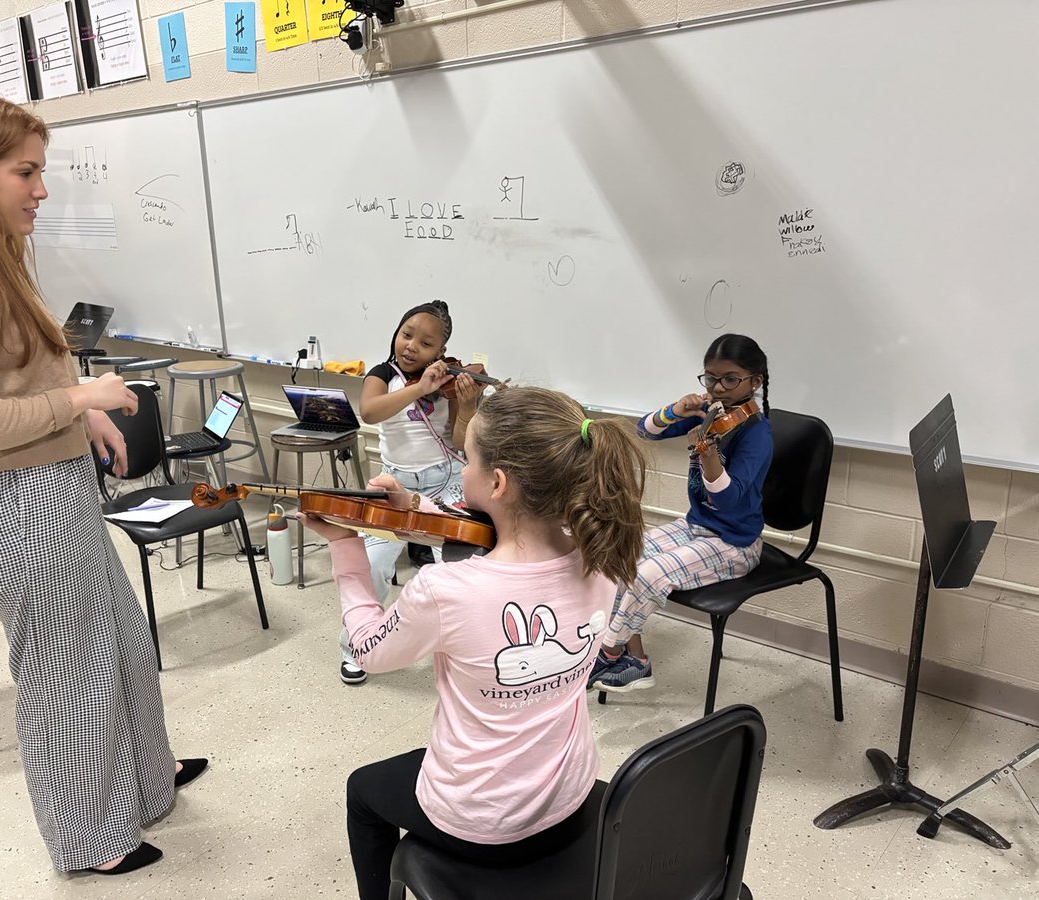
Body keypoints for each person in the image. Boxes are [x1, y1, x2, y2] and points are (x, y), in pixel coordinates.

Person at [0, 91, 206, 876]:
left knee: (122, 643)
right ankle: (89, 841)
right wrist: (83, 399)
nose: (41, 188)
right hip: (19, 506)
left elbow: (20, 377)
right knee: (68, 678)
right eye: (24, 172)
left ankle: (143, 779)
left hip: (54, 487)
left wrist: (80, 422)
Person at [300, 386, 648, 900]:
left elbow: (370, 650)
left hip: (483, 825)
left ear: (498, 483)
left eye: (467, 458)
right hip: (571, 800)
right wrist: (415, 508)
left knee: (362, 792)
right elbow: (496, 538)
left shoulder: (447, 592)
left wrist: (347, 549)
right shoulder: (600, 556)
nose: (461, 467)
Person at [588, 333, 773, 692]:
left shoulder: (757, 433)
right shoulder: (710, 413)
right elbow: (646, 431)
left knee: (649, 575)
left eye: (731, 379)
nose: (719, 388)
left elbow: (730, 500)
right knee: (618, 554)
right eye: (711, 378)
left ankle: (606, 652)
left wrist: (707, 457)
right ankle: (637, 660)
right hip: (696, 527)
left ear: (756, 381)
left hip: (735, 543)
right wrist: (676, 411)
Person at [340, 300, 480, 685]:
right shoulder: (383, 374)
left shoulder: (449, 383)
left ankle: (467, 649)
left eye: (426, 343)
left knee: (459, 567)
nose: (412, 346)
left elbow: (459, 441)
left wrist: (467, 405)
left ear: (441, 352)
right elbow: (370, 411)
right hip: (394, 483)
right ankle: (357, 647)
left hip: (446, 481)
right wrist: (420, 387)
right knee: (372, 566)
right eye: (407, 334)